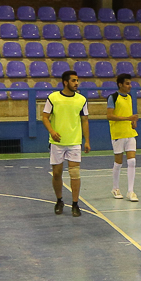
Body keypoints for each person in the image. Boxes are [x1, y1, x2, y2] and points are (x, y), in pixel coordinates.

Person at [41, 70, 90, 217]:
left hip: (74, 142)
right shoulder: (53, 98)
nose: (76, 83)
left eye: (77, 80)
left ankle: (75, 204)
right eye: (73, 80)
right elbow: (45, 117)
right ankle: (59, 200)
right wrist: (52, 131)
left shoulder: (81, 100)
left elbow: (85, 120)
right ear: (65, 82)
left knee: (74, 173)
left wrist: (87, 141)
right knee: (57, 173)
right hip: (57, 142)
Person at [106, 73, 140, 202]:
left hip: (130, 133)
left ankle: (130, 191)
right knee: (118, 163)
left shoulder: (129, 97)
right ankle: (115, 188)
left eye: (130, 83)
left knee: (132, 161)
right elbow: (109, 116)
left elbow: (129, 114)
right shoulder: (113, 97)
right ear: (120, 84)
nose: (130, 86)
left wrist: (133, 121)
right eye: (127, 83)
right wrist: (127, 118)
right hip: (118, 134)